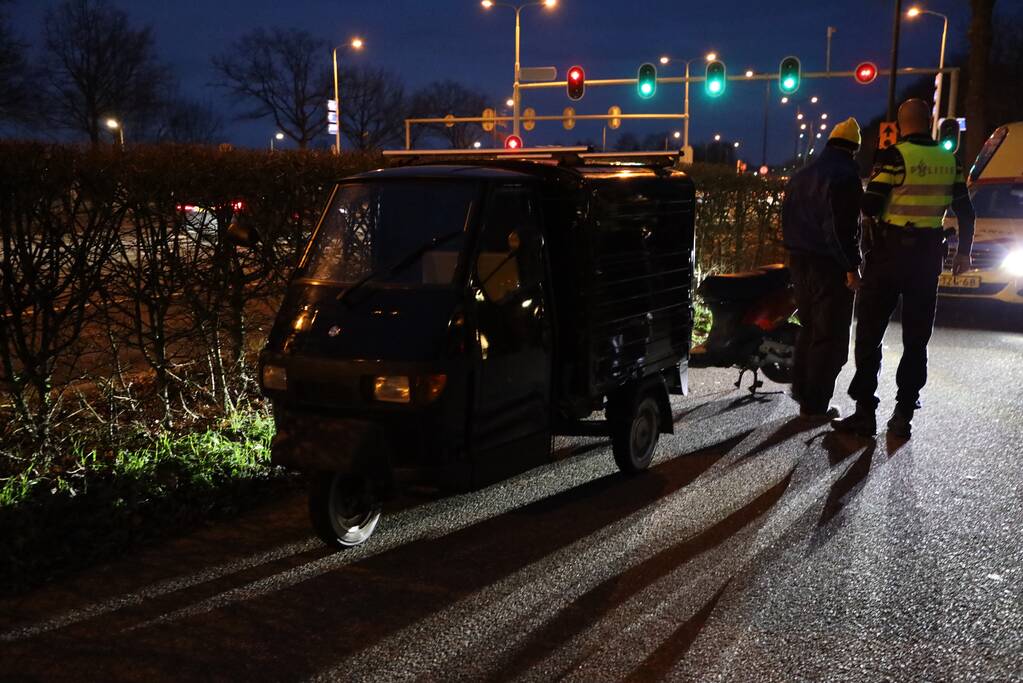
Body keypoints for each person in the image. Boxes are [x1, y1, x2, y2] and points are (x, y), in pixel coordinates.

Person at [833, 98, 975, 438]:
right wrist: (963, 254)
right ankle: (903, 415)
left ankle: (865, 412)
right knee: (916, 338)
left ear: (899, 125)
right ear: (929, 122)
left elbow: (871, 205)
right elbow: (965, 212)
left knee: (869, 333)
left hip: (889, 254)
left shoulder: (895, 156)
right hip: (927, 258)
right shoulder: (950, 160)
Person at [781, 117, 864, 420]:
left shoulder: (801, 175)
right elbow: (840, 229)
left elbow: (787, 221)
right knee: (830, 337)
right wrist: (851, 267)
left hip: (799, 261)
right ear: (854, 149)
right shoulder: (845, 176)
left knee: (809, 328)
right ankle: (816, 405)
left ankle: (803, 394)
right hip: (828, 264)